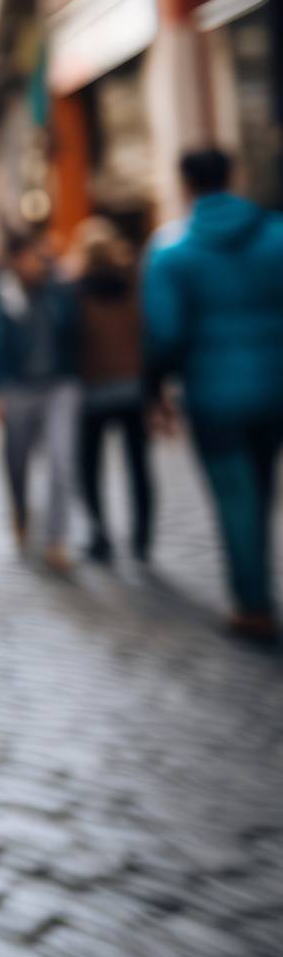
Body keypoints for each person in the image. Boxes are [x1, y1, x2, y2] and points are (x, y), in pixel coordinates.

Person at [143, 148, 283, 642]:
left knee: (235, 497)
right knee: (263, 490)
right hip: (274, 389)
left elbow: (163, 333)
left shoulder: (171, 252)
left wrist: (156, 390)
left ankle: (252, 603)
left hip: (214, 396)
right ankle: (257, 587)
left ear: (185, 185)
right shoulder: (275, 236)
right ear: (235, 175)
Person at [0, 226, 81, 573]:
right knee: (16, 463)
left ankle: (56, 541)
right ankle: (20, 512)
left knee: (62, 461)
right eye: (30, 255)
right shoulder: (0, 293)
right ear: (16, 260)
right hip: (16, 388)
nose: (37, 262)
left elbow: (76, 328)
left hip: (60, 385)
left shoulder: (58, 288)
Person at [69, 217, 153, 563]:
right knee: (138, 466)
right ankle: (142, 536)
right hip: (133, 387)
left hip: (93, 390)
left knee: (89, 466)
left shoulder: (75, 291)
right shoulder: (134, 284)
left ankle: (100, 533)